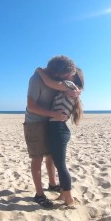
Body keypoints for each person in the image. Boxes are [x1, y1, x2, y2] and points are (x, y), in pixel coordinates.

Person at [23, 55, 80, 208]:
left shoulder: (55, 81)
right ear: (58, 73)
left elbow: (68, 87)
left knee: (50, 156)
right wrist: (53, 114)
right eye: (65, 75)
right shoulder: (36, 79)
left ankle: (52, 184)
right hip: (34, 123)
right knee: (37, 158)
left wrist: (76, 91)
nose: (67, 77)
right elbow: (31, 106)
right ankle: (39, 194)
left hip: (49, 122)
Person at [36, 67, 84, 206]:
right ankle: (64, 194)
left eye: (69, 73)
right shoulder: (72, 89)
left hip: (58, 130)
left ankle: (68, 197)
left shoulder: (69, 85)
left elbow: (49, 82)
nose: (64, 74)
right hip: (58, 129)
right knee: (59, 164)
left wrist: (39, 71)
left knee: (61, 166)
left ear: (73, 76)